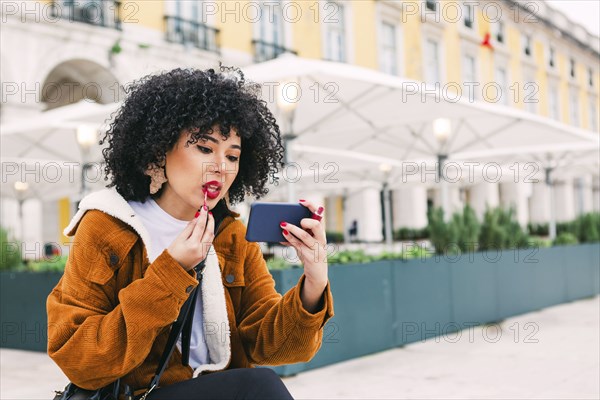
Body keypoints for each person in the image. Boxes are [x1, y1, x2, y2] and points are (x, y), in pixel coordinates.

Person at [47, 65, 334, 400]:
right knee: (259, 386)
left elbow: (270, 348)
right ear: (158, 151)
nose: (221, 166)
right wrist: (170, 273)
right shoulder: (106, 225)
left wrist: (314, 283)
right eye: (204, 148)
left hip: (220, 389)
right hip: (137, 395)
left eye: (232, 155)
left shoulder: (231, 235)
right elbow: (79, 358)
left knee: (260, 381)